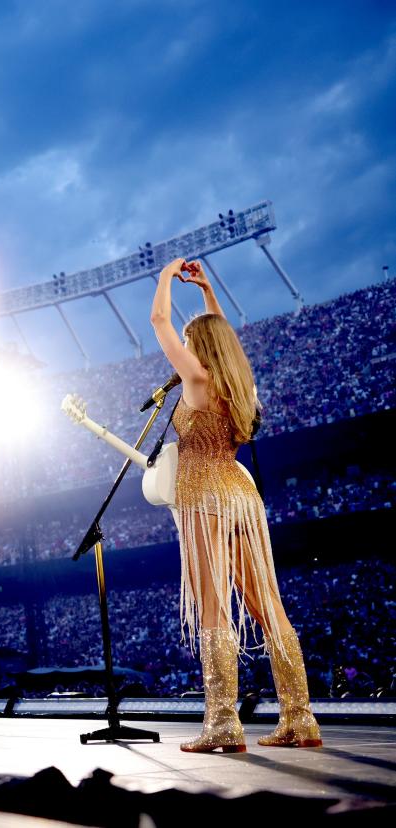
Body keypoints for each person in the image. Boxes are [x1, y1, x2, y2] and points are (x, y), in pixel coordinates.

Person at [151, 257, 321, 753]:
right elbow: (219, 334)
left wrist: (164, 276)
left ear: (200, 348)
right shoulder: (240, 385)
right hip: (241, 494)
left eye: (191, 341)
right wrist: (207, 291)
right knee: (268, 606)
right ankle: (299, 716)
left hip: (204, 495)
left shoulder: (198, 381)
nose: (183, 348)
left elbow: (159, 322)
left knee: (212, 608)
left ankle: (223, 723)